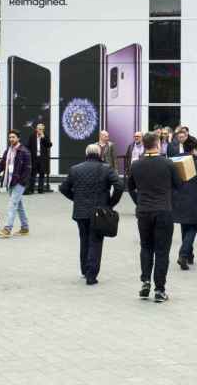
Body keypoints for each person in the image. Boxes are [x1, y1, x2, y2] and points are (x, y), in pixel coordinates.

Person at [127, 132, 181, 302]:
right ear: (158, 144)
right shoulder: (168, 163)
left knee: (146, 247)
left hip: (144, 211)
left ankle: (145, 281)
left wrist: (139, 202)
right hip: (163, 210)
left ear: (143, 144)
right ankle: (159, 289)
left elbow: (130, 187)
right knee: (162, 251)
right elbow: (179, 185)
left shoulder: (136, 165)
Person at [60, 143, 124, 284]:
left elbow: (63, 188)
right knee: (95, 241)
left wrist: (75, 198)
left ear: (86, 154)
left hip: (80, 211)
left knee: (84, 240)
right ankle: (91, 275)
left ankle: (84, 270)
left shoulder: (75, 169)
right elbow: (119, 185)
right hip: (99, 211)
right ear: (100, 154)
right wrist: (111, 203)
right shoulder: (106, 169)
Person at [0, 130, 32, 238]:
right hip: (10, 181)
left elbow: (28, 169)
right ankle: (25, 228)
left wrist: (22, 183)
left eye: (13, 137)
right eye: (10, 137)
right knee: (18, 205)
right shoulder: (8, 150)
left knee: (12, 204)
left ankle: (7, 229)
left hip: (19, 182)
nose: (11, 139)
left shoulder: (24, 151)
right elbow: (1, 165)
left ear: (18, 138)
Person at [171, 144, 197, 271]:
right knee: (194, 227)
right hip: (196, 200)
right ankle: (183, 255)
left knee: (185, 226)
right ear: (194, 150)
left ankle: (189, 255)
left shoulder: (175, 162)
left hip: (180, 199)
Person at [28, 123, 51, 194]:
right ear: (36, 129)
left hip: (42, 158)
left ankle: (40, 189)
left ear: (43, 130)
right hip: (34, 158)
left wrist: (43, 137)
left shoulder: (45, 136)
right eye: (38, 129)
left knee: (42, 173)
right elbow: (28, 145)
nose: (39, 130)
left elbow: (49, 145)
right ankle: (31, 189)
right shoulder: (32, 136)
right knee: (33, 174)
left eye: (41, 129)